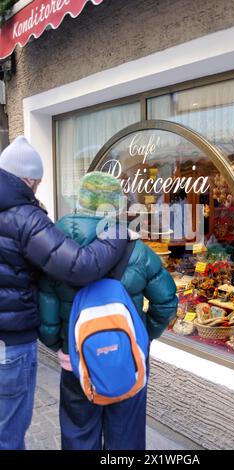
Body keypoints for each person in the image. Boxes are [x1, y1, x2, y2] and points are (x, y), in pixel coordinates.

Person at [0, 137, 127, 450]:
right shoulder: (23, 216)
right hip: (9, 344)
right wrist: (117, 230)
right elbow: (79, 266)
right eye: (38, 184)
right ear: (28, 180)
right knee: (9, 431)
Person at [38, 171, 178, 450]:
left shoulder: (54, 248)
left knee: (79, 432)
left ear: (80, 202)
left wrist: (61, 347)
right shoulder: (136, 251)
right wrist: (143, 335)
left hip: (76, 360)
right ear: (117, 206)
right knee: (125, 435)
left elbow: (45, 310)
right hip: (128, 357)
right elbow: (166, 302)